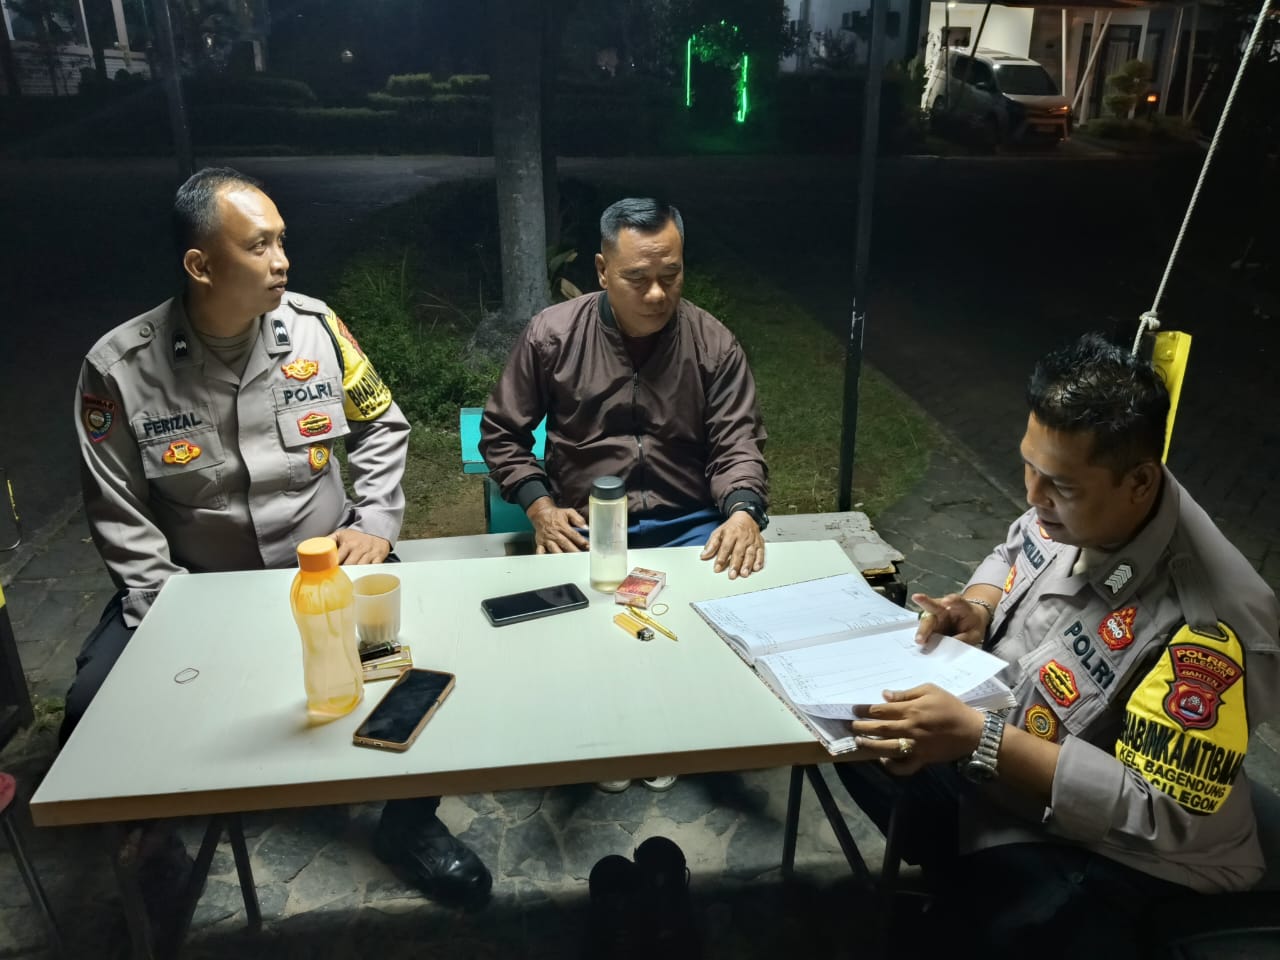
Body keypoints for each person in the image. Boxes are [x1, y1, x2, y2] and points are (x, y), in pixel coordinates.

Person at [67, 167, 491, 913]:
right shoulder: (120, 368)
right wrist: (169, 608)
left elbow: (383, 425)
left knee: (431, 662)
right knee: (93, 704)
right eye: (258, 245)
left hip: (330, 566)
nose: (282, 261)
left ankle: (409, 822)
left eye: (282, 242)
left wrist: (374, 522)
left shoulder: (317, 330)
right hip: (198, 585)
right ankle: (154, 845)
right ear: (201, 265)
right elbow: (116, 509)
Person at [840, 334, 1280, 957]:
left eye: (1059, 485)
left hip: (1124, 852)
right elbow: (1013, 548)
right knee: (853, 734)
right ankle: (959, 887)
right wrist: (979, 607)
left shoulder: (1214, 624)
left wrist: (981, 739)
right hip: (1001, 766)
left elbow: (1159, 814)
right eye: (1029, 466)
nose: (1032, 496)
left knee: (1022, 921)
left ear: (1139, 482)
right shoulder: (1080, 498)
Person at [479, 197, 769, 580]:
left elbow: (737, 443)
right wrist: (541, 508)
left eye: (670, 275)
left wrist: (744, 511)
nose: (657, 294)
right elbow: (502, 433)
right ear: (603, 271)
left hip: (693, 525)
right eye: (637, 278)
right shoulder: (553, 337)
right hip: (585, 526)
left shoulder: (712, 344)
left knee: (728, 603)